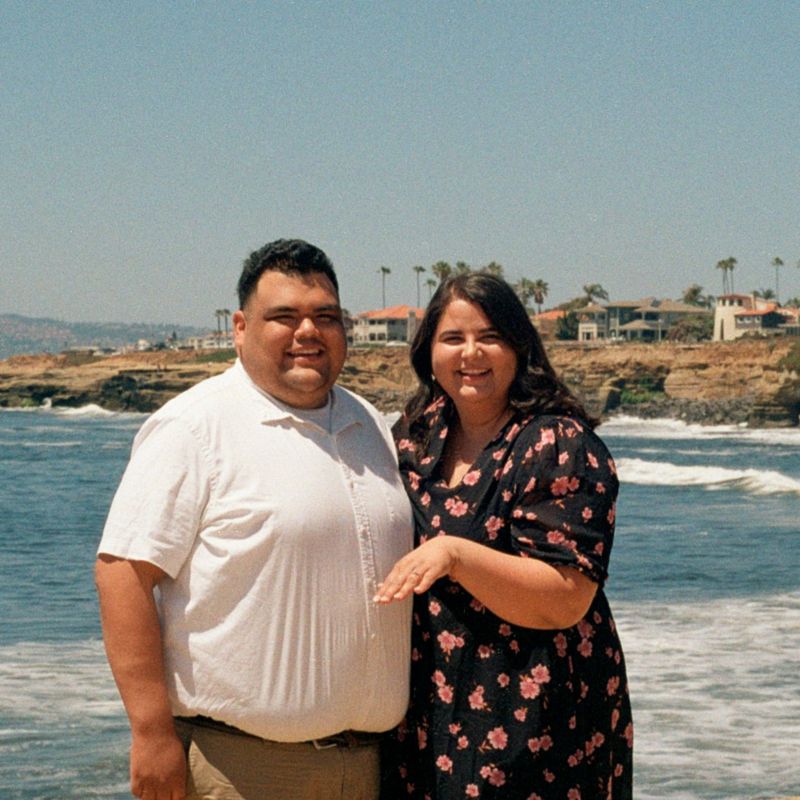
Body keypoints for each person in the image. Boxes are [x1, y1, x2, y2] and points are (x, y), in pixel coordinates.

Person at [95, 239, 413, 800]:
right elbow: (123, 573)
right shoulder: (195, 427)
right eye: (284, 317)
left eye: (325, 317)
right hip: (239, 769)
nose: (307, 332)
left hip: (368, 767)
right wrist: (151, 733)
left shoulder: (369, 424)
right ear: (240, 328)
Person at [376, 272, 633, 799]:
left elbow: (567, 598)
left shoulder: (557, 442)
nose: (471, 353)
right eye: (453, 338)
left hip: (537, 722)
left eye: (490, 336)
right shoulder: (416, 435)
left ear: (519, 346)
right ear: (429, 352)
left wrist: (455, 554)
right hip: (429, 711)